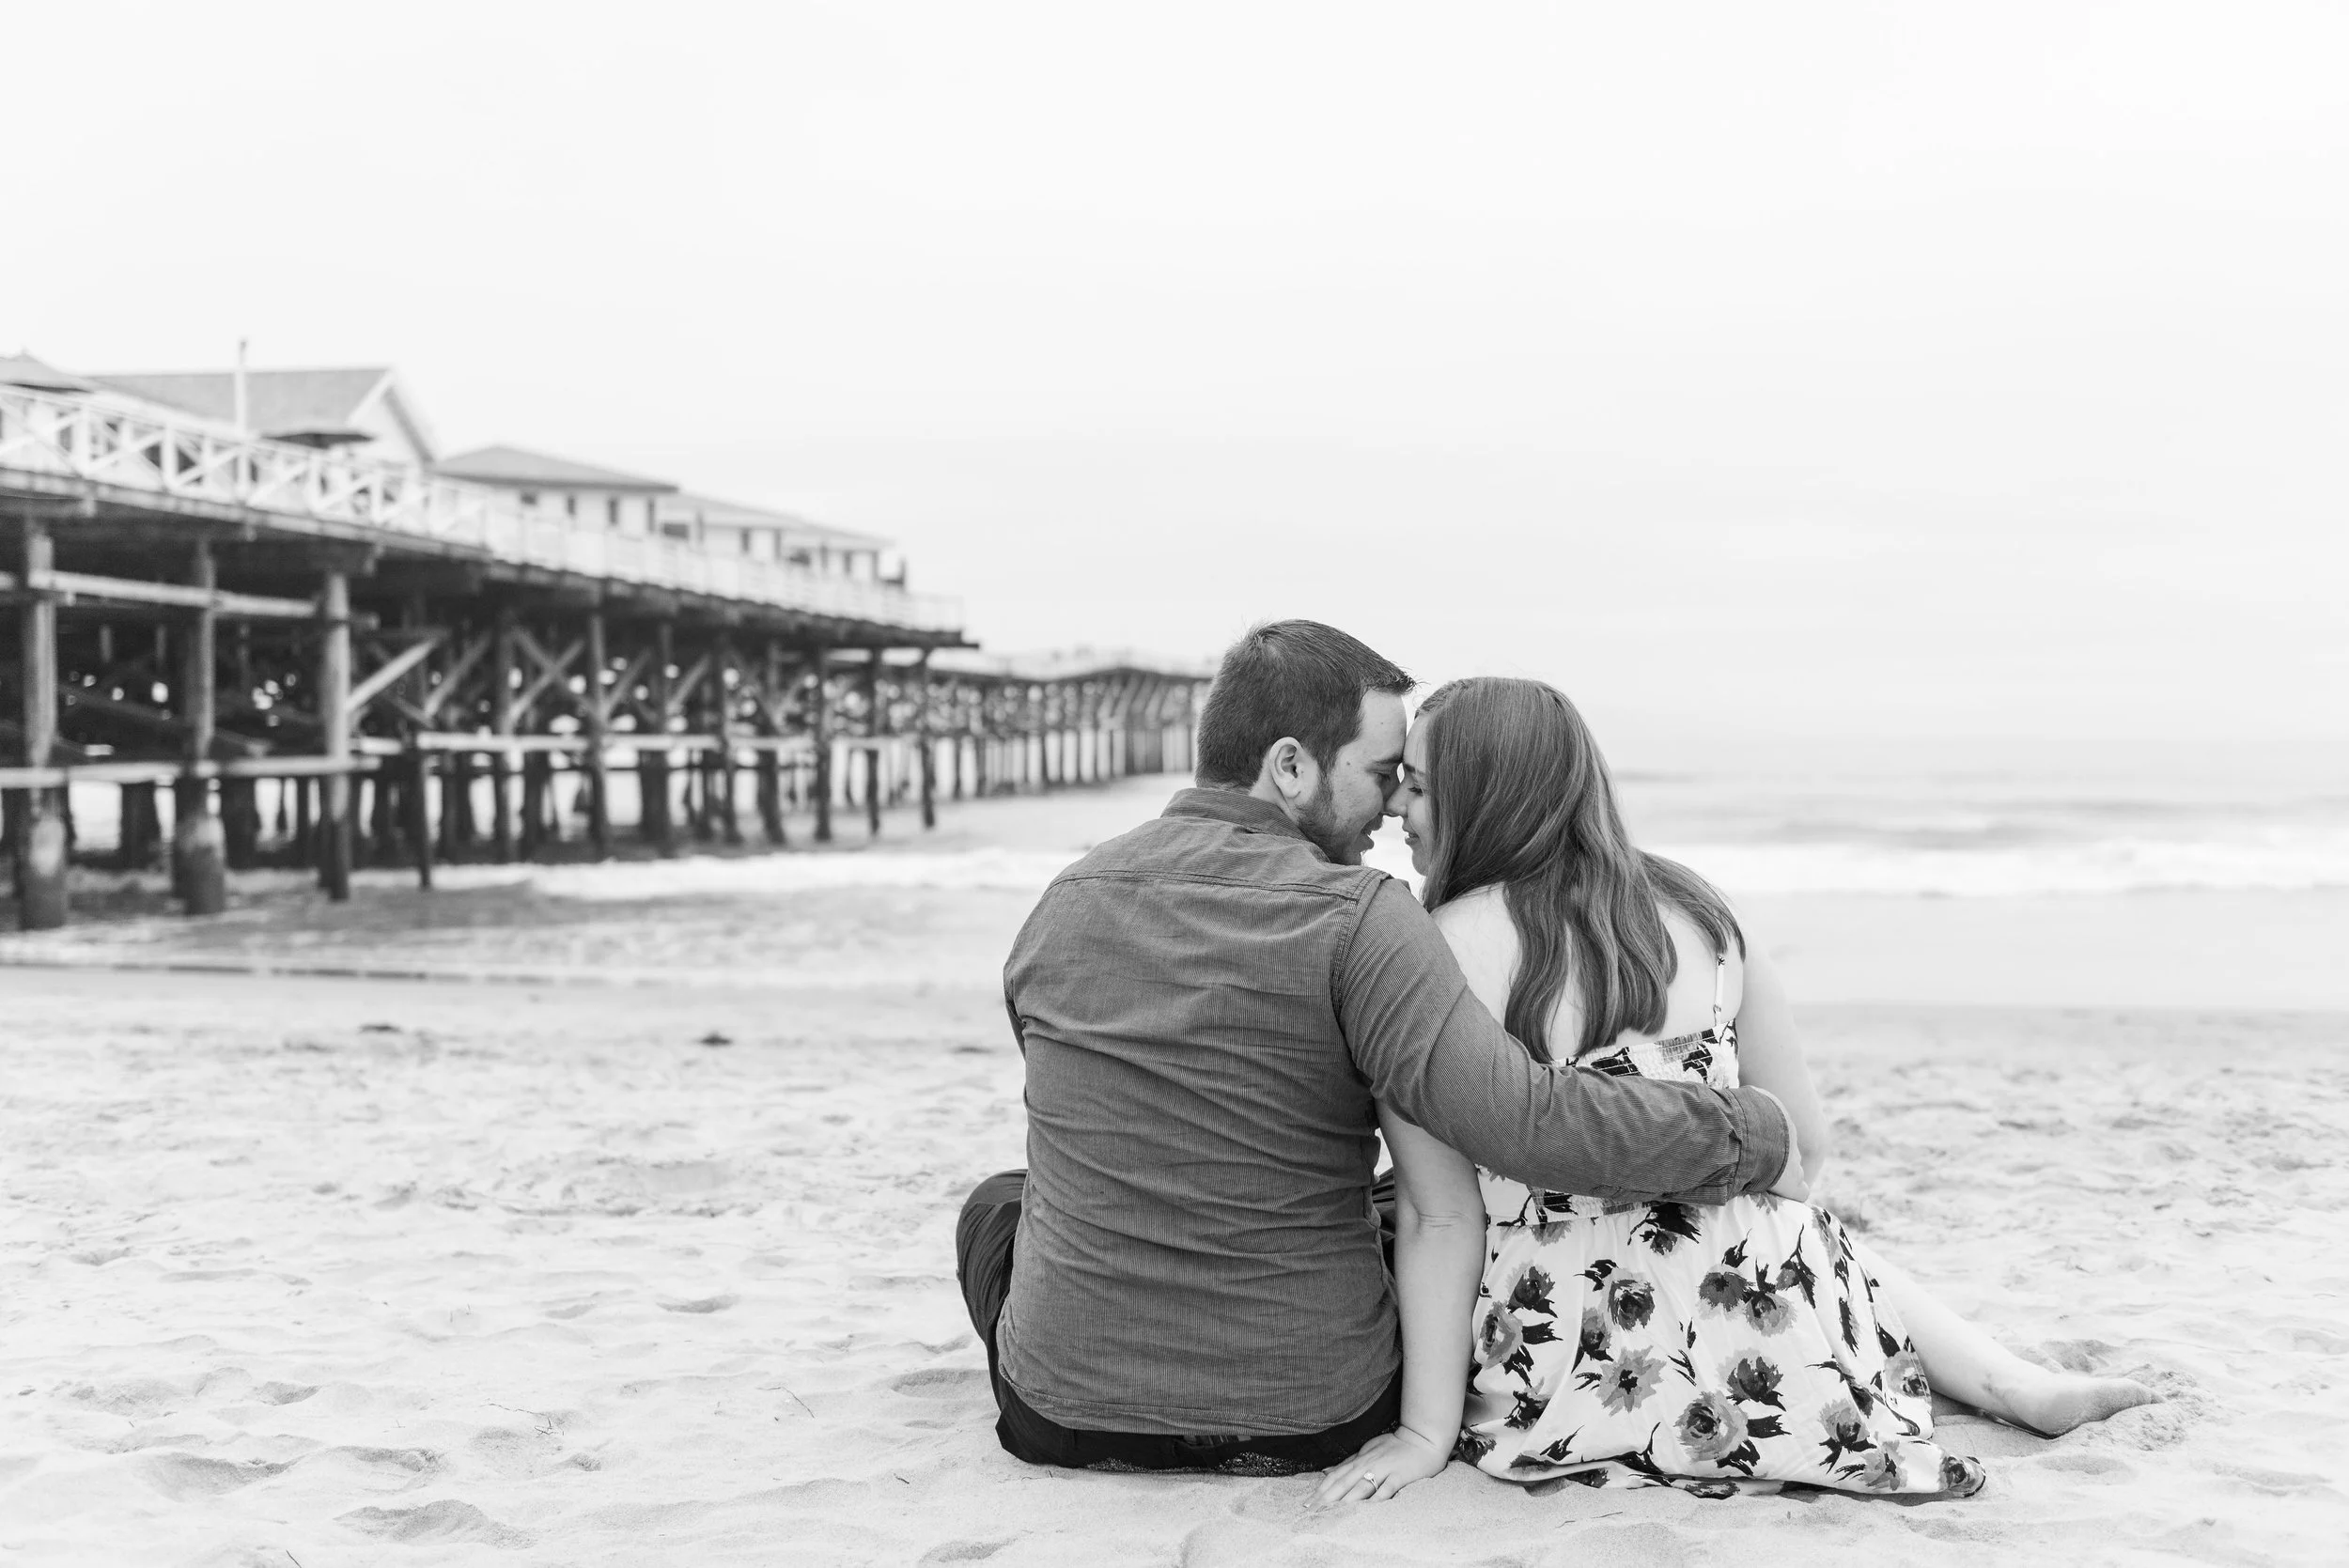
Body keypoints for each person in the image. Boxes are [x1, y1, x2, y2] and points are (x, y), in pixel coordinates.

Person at [956, 622, 1810, 1479]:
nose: (1394, 803)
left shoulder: (1062, 902)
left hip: (1059, 1416)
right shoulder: (1361, 916)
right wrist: (1753, 1132)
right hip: (1315, 1417)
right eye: (1379, 773)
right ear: (1291, 767)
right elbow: (1528, 1120)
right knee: (1413, 1201)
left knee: (1001, 1201)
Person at [1315, 676, 2156, 1505]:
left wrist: (1425, 1431)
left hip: (1573, 1344)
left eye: (1419, 786)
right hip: (1772, 1316)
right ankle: (2014, 1385)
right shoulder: (1700, 911)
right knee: (1794, 1219)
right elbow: (1804, 1149)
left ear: (1483, 796)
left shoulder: (1439, 944)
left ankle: (2014, 1383)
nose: (1397, 808)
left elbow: (1441, 1215)